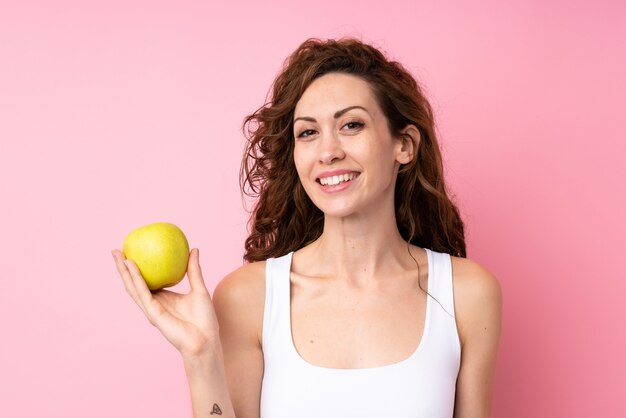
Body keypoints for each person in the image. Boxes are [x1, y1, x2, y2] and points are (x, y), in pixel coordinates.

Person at [112, 37, 501, 418]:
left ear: (405, 145)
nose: (328, 151)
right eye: (308, 132)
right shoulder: (248, 298)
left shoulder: (466, 294)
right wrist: (200, 356)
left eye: (351, 125)